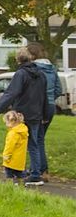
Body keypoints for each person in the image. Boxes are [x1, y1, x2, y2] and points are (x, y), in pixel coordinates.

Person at [0, 45, 48, 187]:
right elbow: (45, 96)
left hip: (21, 115)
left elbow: (12, 93)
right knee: (34, 145)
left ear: (18, 60)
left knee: (15, 144)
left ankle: (16, 172)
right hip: (36, 115)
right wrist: (45, 113)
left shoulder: (21, 74)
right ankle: (36, 174)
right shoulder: (41, 74)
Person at [28, 41, 61, 182]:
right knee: (40, 139)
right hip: (51, 107)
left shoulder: (34, 69)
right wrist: (50, 100)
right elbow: (59, 89)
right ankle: (41, 170)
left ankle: (40, 171)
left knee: (36, 141)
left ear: (32, 55)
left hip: (38, 107)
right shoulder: (52, 68)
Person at [1, 110, 28, 185]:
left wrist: (6, 155)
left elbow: (9, 146)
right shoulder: (23, 131)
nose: (6, 124)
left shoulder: (13, 133)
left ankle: (10, 185)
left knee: (9, 174)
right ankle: (22, 184)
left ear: (12, 121)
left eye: (6, 122)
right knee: (20, 173)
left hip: (11, 159)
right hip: (20, 160)